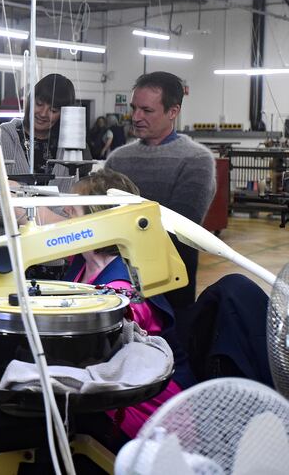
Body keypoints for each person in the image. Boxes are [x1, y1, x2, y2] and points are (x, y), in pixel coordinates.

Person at [62, 169, 192, 447]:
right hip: (110, 389)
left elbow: (108, 339)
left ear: (100, 219)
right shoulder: (83, 264)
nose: (64, 212)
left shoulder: (125, 282)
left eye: (72, 210)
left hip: (143, 409)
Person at [105, 72, 216, 312]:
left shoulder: (196, 160)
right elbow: (100, 215)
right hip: (115, 281)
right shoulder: (118, 159)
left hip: (171, 285)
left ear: (173, 112)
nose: (136, 117)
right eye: (134, 108)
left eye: (146, 110)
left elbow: (182, 226)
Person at [0, 73, 76, 239]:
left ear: (64, 113)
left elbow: (68, 204)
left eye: (53, 110)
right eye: (39, 104)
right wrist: (31, 218)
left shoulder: (68, 150)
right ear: (30, 100)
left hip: (52, 252)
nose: (43, 113)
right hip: (5, 248)